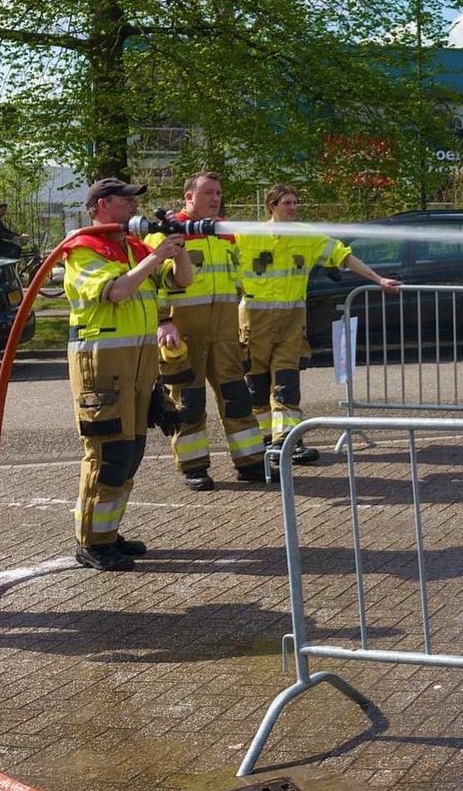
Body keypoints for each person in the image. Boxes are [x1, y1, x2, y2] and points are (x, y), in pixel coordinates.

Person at [63, 177, 192, 570]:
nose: (134, 206)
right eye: (125, 200)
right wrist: (156, 257)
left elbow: (181, 281)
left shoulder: (132, 248)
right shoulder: (83, 250)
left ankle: (108, 533)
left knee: (131, 450)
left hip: (136, 363)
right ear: (101, 205)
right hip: (101, 363)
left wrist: (179, 247)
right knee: (108, 453)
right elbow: (115, 292)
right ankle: (91, 541)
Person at [238, 184, 400, 467]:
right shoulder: (247, 236)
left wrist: (378, 279)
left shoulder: (306, 236)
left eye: (295, 202)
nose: (293, 207)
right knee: (257, 385)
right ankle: (262, 443)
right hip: (255, 322)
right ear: (272, 205)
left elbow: (343, 256)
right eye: (287, 202)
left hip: (291, 323)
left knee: (287, 384)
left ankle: (287, 441)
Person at [147, 171, 262, 491]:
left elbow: (237, 281)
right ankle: (194, 466)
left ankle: (251, 461)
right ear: (189, 198)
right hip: (183, 331)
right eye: (208, 192)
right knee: (189, 402)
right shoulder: (166, 233)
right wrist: (162, 320)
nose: (215, 198)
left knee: (237, 397)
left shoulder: (223, 233)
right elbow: (150, 283)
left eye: (219, 193)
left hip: (224, 329)